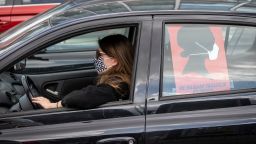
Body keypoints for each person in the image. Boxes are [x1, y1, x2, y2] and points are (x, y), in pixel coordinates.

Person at [32, 34, 134, 109]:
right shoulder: (121, 79)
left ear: (114, 60)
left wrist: (53, 105)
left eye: (100, 55)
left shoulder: (116, 86)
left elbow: (82, 97)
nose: (97, 59)